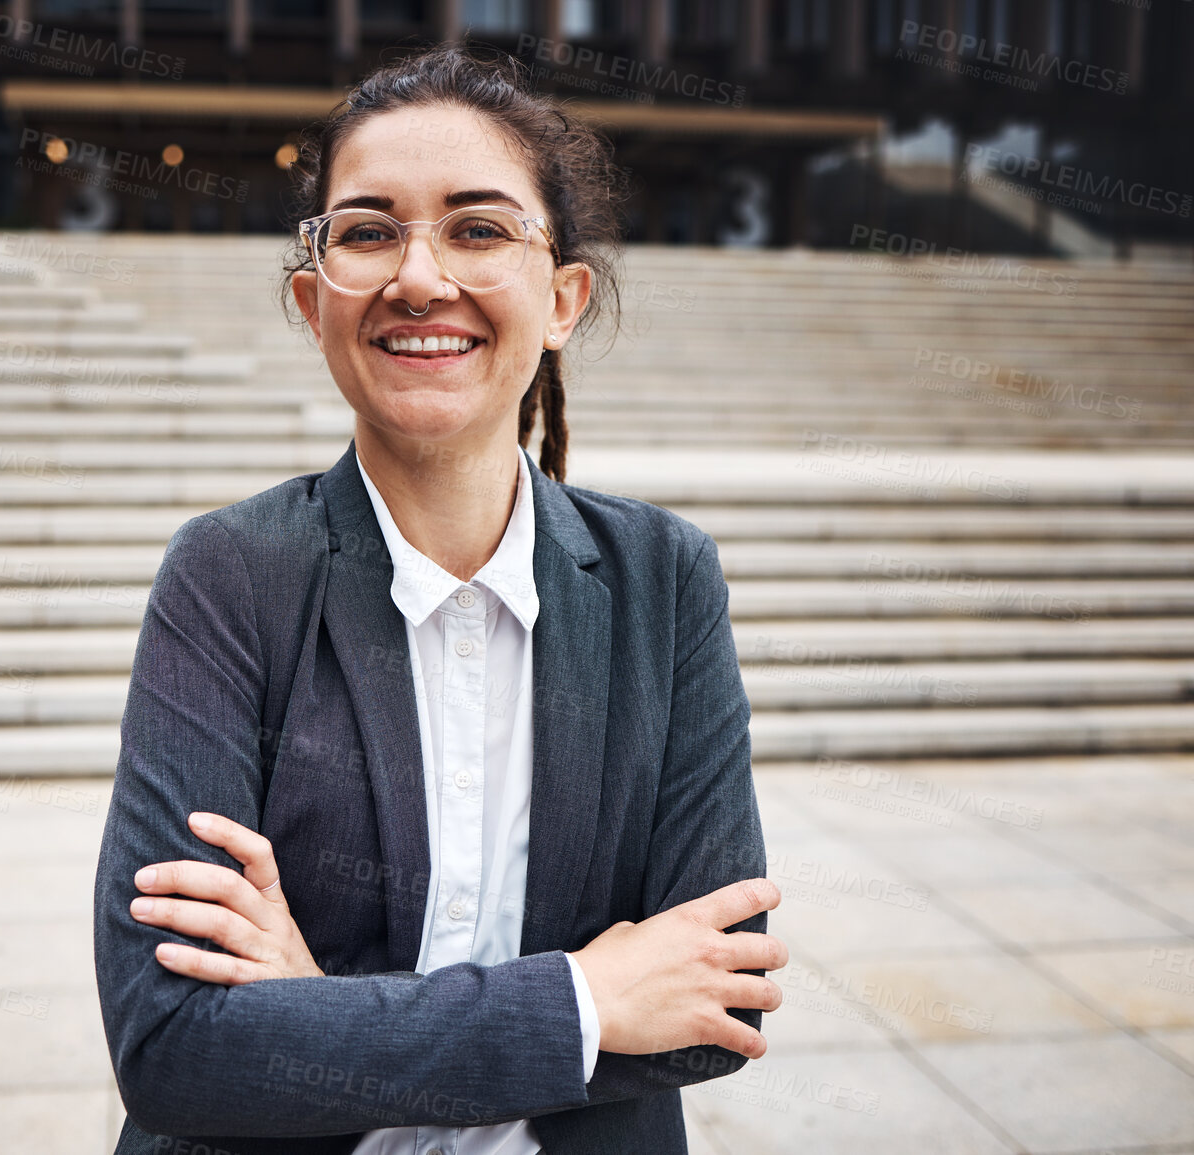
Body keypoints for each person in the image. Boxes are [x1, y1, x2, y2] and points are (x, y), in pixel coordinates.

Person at [93, 42, 786, 1155]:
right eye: (369, 231)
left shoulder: (666, 579)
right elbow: (175, 1047)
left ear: (563, 299)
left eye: (477, 228)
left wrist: (313, 1012)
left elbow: (717, 1009)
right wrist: (584, 1001)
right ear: (315, 301)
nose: (421, 277)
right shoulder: (228, 575)